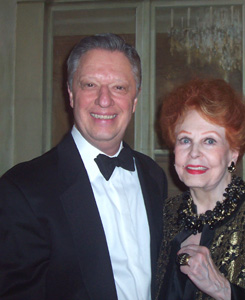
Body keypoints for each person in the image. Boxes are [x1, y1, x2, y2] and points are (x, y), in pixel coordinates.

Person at [0, 33, 167, 300]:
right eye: (90, 84)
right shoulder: (22, 189)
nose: (104, 100)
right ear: (71, 94)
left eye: (119, 88)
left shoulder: (153, 176)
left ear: (134, 101)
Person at [155, 78, 245, 299]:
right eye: (185, 140)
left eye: (209, 141)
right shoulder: (166, 215)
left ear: (233, 153)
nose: (194, 153)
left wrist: (223, 289)